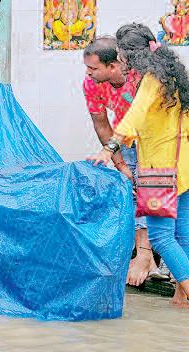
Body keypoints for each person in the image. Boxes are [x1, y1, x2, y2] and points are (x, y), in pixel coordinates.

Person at [88, 23, 189, 307]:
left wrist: (109, 150)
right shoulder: (174, 78)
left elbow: (134, 117)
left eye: (122, 55)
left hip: (160, 168)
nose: (121, 60)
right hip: (184, 168)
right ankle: (181, 297)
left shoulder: (151, 80)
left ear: (131, 55)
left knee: (160, 236)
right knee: (183, 235)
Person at [82, 36, 158, 286]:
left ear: (113, 65)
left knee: (150, 190)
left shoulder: (141, 76)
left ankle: (146, 257)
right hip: (124, 140)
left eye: (93, 68)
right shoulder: (91, 84)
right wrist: (121, 165)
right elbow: (101, 124)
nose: (88, 73)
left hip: (157, 138)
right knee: (134, 190)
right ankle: (144, 256)